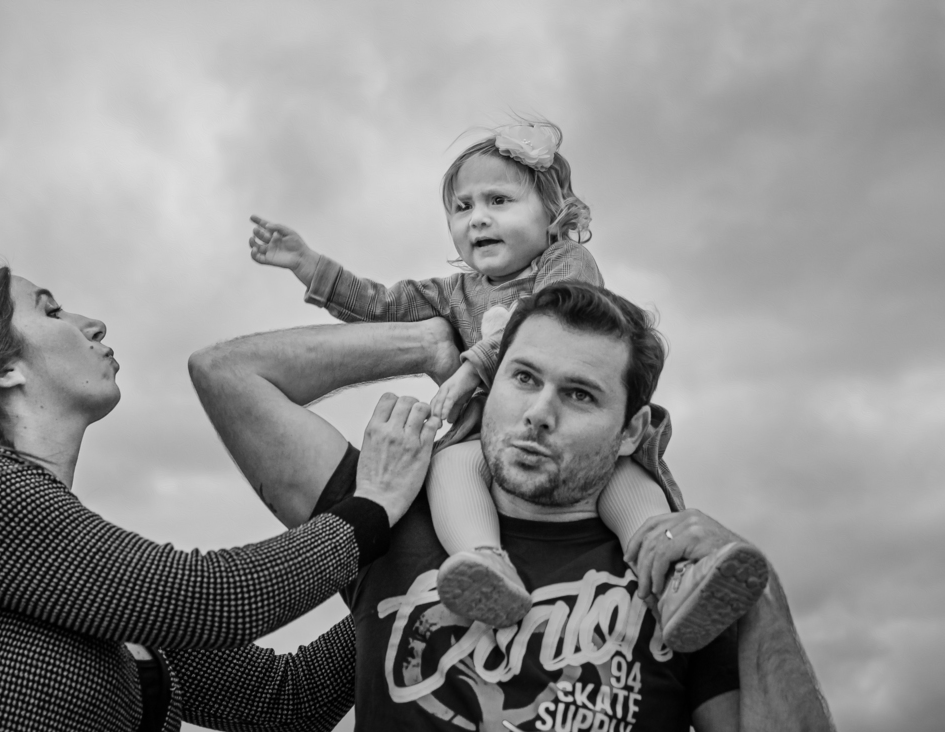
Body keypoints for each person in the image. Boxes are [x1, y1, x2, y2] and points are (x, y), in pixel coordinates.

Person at [189, 282, 840, 732]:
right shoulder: (392, 504)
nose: (538, 413)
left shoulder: (681, 582)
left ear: (633, 431)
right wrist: (430, 346)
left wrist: (760, 591)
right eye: (524, 378)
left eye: (580, 394)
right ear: (492, 384)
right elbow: (227, 372)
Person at [0, 265, 440, 732]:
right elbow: (204, 596)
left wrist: (424, 574)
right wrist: (373, 508)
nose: (93, 323)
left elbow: (291, 698)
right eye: (52, 310)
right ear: (4, 367)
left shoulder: (85, 583)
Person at [248, 120, 766, 651]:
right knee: (453, 465)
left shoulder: (566, 261)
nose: (480, 219)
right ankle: (486, 567)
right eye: (463, 207)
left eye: (499, 200)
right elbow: (381, 304)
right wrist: (309, 266)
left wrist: (473, 366)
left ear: (553, 215)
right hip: (490, 435)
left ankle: (674, 571)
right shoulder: (454, 292)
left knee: (621, 477)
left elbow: (545, 322)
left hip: (574, 430)